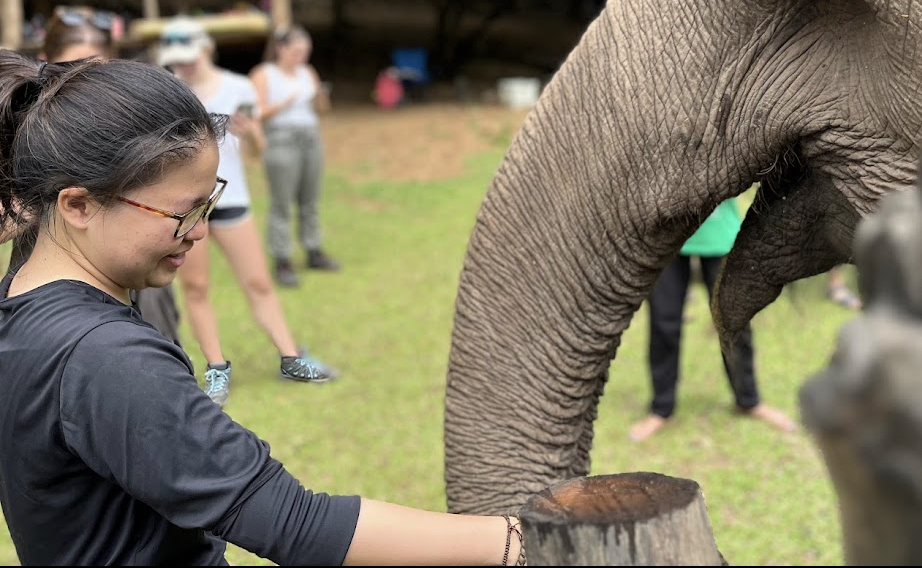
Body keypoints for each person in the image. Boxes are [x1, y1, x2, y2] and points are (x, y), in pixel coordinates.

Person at [0, 50, 527, 565]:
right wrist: (520, 543)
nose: (201, 232)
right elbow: (295, 525)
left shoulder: (21, 303)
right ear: (79, 205)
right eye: (182, 213)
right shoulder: (106, 359)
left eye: (209, 204)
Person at [156, 16, 337, 405]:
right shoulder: (167, 91)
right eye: (175, 58)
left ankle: (291, 358)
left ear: (206, 49)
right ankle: (216, 368)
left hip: (233, 199)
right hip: (189, 206)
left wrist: (251, 132)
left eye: (188, 56)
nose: (182, 65)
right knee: (197, 287)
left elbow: (255, 154)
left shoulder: (238, 87)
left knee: (258, 283)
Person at [2, 6, 184, 348]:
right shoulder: (24, 127)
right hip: (48, 284)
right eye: (74, 70)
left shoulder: (136, 116)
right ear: (46, 63)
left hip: (135, 272)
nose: (88, 83)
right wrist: (38, 203)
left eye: (97, 69)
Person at [628, 197, 797, 442]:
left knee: (735, 321)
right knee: (663, 323)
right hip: (667, 234)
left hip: (721, 234)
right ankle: (661, 408)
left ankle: (748, 400)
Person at [249, 24, 341, 287]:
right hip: (281, 140)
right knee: (282, 203)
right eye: (297, 51)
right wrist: (283, 104)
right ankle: (283, 259)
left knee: (310, 198)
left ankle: (313, 250)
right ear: (281, 49)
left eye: (305, 51)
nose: (301, 56)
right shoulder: (264, 74)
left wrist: (321, 97)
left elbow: (322, 110)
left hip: (310, 138)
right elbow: (255, 112)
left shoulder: (307, 72)